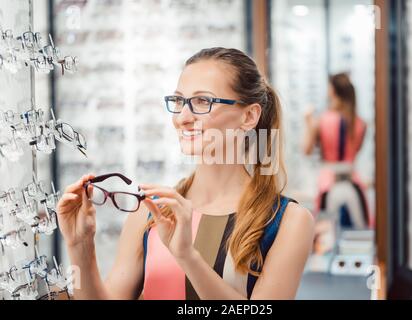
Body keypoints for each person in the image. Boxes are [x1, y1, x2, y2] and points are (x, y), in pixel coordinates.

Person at [56, 48, 314, 300]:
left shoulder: (287, 222)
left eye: (203, 101)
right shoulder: (148, 212)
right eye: (179, 101)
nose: (182, 117)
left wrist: (188, 257)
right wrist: (80, 247)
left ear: (248, 116)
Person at [303, 73, 372, 232]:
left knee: (325, 234)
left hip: (328, 183)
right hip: (354, 184)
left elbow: (307, 150)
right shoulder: (360, 124)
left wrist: (308, 122)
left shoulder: (322, 120)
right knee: (359, 234)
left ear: (333, 91)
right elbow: (356, 151)